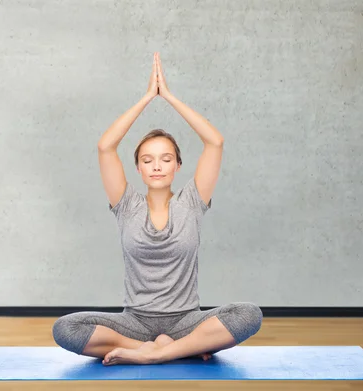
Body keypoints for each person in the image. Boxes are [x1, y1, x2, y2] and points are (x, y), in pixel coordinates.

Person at [52, 52, 262, 366]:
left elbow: (214, 142)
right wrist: (148, 98)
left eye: (166, 159)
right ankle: (176, 349)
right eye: (147, 160)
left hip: (186, 321)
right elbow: (105, 146)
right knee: (65, 328)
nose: (157, 166)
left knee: (249, 315)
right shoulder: (126, 205)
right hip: (135, 323)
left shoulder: (192, 202)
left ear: (178, 165)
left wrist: (171, 98)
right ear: (137, 168)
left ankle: (157, 353)